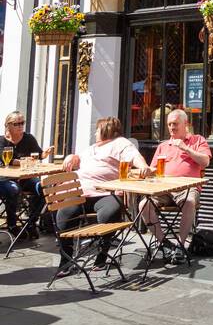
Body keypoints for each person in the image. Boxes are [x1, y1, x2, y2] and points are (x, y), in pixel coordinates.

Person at [59, 117, 148, 267]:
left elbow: (134, 157)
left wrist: (144, 166)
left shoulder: (120, 143)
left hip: (106, 192)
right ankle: (66, 260)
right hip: (81, 192)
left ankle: (102, 253)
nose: (95, 133)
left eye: (97, 130)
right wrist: (71, 157)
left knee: (109, 212)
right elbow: (78, 157)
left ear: (106, 130)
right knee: (64, 213)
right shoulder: (92, 147)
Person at [142, 107, 211, 264]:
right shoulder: (163, 145)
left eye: (175, 124)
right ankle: (164, 243)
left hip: (187, 188)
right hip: (164, 188)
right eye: (169, 124)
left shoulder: (198, 140)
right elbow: (154, 169)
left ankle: (180, 246)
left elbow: (205, 162)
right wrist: (147, 171)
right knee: (143, 204)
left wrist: (185, 148)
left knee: (189, 202)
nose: (171, 128)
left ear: (185, 124)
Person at [0, 111, 52, 239]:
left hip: (25, 178)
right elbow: (5, 160)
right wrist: (23, 161)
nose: (20, 126)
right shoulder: (1, 141)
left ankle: (31, 223)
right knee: (13, 189)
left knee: (44, 188)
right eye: (16, 124)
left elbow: (38, 155)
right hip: (5, 179)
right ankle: (12, 225)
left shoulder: (28, 138)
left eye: (22, 123)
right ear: (8, 126)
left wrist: (44, 154)